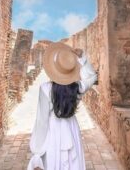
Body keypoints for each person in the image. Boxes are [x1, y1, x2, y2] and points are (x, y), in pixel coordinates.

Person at [28, 42, 97, 170]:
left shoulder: (45, 89)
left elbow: (41, 122)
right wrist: (83, 58)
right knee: (73, 163)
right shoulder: (77, 87)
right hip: (71, 128)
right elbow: (92, 77)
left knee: (54, 161)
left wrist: (37, 152)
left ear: (53, 68)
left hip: (53, 132)